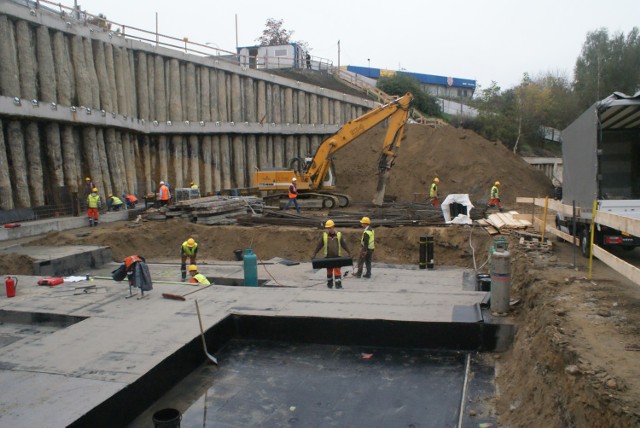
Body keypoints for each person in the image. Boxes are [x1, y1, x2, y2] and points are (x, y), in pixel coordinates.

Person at [312, 219, 351, 289]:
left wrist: (349, 252)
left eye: (330, 228)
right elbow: (319, 245)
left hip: (337, 257)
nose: (328, 229)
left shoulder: (338, 235)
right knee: (329, 272)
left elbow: (343, 244)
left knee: (337, 272)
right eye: (327, 228)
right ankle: (329, 284)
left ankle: (338, 285)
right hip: (328, 257)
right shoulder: (324, 235)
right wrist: (314, 253)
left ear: (333, 227)